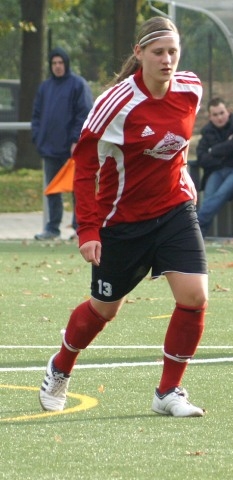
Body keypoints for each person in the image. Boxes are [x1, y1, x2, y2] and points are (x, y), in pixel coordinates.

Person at [38, 16, 208, 417]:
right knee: (103, 309)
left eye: (173, 52)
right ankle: (60, 366)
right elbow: (84, 167)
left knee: (194, 296)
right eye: (158, 52)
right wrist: (87, 228)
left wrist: (181, 169)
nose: (167, 60)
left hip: (173, 209)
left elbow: (176, 140)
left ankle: (168, 392)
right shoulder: (114, 103)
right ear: (139, 54)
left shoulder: (191, 89)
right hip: (123, 221)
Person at [31, 47, 93, 240]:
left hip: (72, 149)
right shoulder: (45, 87)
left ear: (66, 64)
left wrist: (76, 140)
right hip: (49, 149)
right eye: (54, 63)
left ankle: (78, 228)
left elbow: (83, 114)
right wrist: (37, 137)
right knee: (52, 190)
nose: (57, 67)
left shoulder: (78, 85)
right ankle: (52, 228)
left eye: (61, 63)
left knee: (78, 189)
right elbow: (37, 115)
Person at [196, 97, 233, 237]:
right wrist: (227, 149)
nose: (219, 117)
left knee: (220, 195)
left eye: (222, 113)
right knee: (209, 199)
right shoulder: (207, 132)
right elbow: (202, 158)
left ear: (228, 111)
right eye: (215, 115)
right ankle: (199, 234)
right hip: (216, 171)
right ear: (210, 117)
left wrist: (214, 151)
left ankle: (193, 229)